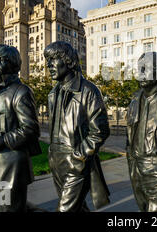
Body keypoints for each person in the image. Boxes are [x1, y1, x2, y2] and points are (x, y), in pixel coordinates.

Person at [0, 44, 41, 212]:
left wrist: (3, 140)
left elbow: (31, 128)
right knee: (6, 206)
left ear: (13, 64)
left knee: (6, 208)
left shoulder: (20, 92)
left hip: (7, 166)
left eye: (1, 60)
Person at [44, 41, 110, 212]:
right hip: (56, 160)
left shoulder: (88, 90)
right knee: (78, 208)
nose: (49, 65)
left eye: (53, 59)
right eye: (47, 61)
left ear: (68, 61)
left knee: (65, 209)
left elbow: (100, 130)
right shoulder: (52, 94)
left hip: (76, 160)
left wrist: (79, 156)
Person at [126, 52, 157, 212]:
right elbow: (129, 137)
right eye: (139, 69)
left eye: (145, 69)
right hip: (136, 167)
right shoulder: (135, 100)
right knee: (143, 208)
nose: (140, 74)